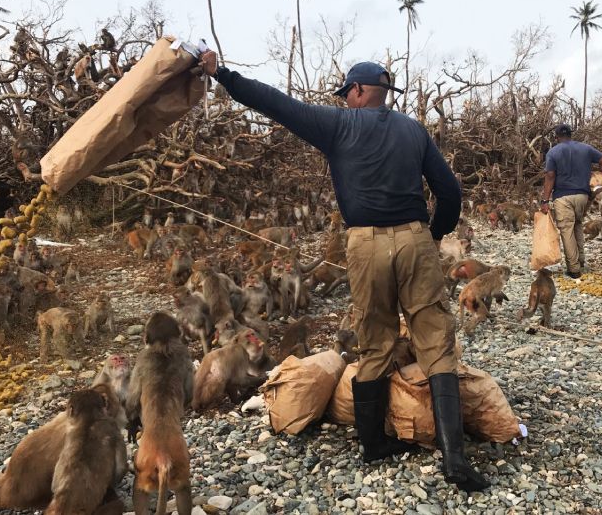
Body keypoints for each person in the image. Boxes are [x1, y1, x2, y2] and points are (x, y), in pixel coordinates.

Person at [199, 53, 488, 492]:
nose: (345, 99)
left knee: (374, 340)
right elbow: (449, 191)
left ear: (356, 91)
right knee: (435, 340)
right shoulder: (413, 130)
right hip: (413, 237)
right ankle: (454, 459)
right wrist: (433, 233)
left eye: (346, 93)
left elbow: (274, 103)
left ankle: (372, 445)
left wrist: (222, 74)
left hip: (365, 242)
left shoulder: (337, 125)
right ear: (383, 92)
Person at [539, 124, 602, 278]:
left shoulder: (553, 152)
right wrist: (598, 175)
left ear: (556, 137)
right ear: (570, 135)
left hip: (563, 197)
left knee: (566, 230)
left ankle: (574, 269)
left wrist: (545, 200)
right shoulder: (586, 148)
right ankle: (581, 260)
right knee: (577, 224)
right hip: (583, 196)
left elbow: (550, 176)